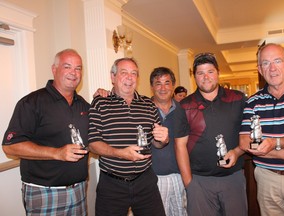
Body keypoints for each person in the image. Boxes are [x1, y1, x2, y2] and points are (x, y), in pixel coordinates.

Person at [2, 49, 89, 215]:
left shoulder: (84, 105)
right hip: (44, 192)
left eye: (78, 68)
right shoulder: (32, 102)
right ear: (54, 69)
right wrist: (56, 153)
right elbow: (10, 147)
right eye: (67, 66)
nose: (74, 72)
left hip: (79, 191)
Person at [88, 57, 168, 216]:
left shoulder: (148, 104)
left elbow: (157, 144)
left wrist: (163, 139)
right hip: (112, 185)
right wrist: (120, 153)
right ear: (113, 77)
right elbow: (92, 143)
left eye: (134, 73)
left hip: (145, 182)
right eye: (124, 73)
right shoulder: (100, 103)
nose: (130, 78)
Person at [174, 52, 248, 216]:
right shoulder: (185, 105)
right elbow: (180, 146)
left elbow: (249, 135)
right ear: (194, 77)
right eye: (200, 73)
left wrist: (237, 152)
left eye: (210, 71)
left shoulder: (238, 99)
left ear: (218, 73)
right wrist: (189, 184)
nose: (205, 77)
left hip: (233, 178)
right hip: (199, 181)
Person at [239, 43, 284, 216]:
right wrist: (283, 152)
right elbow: (245, 141)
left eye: (277, 61)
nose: (272, 68)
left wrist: (274, 142)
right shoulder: (253, 102)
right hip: (266, 179)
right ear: (260, 69)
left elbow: (256, 145)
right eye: (266, 63)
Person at [150, 67, 189, 216]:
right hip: (154, 179)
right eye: (158, 83)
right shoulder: (143, 109)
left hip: (180, 176)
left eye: (167, 83)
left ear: (173, 85)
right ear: (152, 87)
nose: (163, 88)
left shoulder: (183, 110)